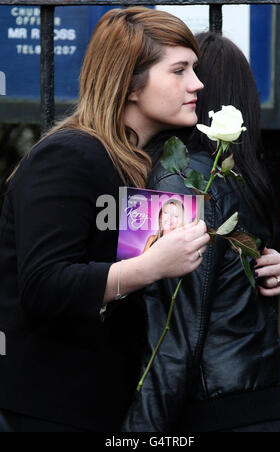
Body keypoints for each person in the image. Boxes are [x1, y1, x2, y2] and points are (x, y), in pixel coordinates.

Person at [0, 7, 211, 432]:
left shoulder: (149, 162)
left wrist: (260, 263)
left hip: (106, 405)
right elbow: (43, 284)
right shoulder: (69, 155)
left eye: (195, 69)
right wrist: (151, 266)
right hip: (47, 409)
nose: (197, 84)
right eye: (180, 70)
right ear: (131, 84)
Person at [122, 32, 280, 433]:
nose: (189, 83)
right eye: (180, 72)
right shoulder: (245, 181)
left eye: (192, 73)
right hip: (258, 401)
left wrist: (135, 433)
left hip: (207, 408)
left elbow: (171, 331)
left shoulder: (179, 177)